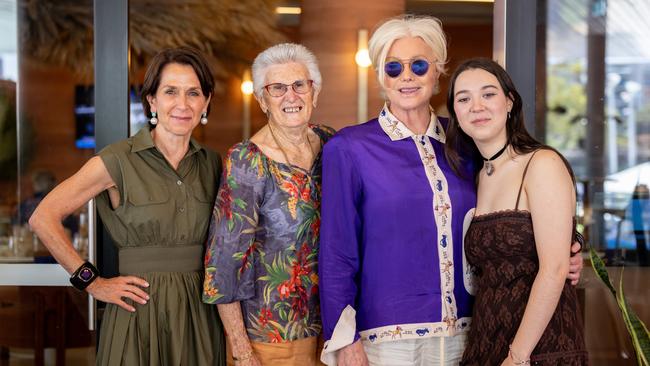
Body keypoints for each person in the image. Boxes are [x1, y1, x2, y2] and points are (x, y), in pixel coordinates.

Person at [318, 15, 584, 366]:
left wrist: (572, 245)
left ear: (437, 70)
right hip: (385, 341)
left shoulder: (465, 143)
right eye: (393, 67)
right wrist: (344, 340)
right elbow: (336, 252)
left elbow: (512, 206)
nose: (407, 76)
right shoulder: (350, 147)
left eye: (419, 64)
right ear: (380, 75)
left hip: (469, 334)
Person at [29, 47, 226, 365]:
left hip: (199, 314)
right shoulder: (117, 159)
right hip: (138, 313)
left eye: (194, 93)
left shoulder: (212, 163)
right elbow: (43, 217)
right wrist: (92, 282)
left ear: (206, 101)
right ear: (152, 100)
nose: (182, 104)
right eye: (170, 91)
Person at [446, 57, 588, 365]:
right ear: (455, 113)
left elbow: (554, 269)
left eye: (488, 94)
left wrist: (518, 356)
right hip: (485, 342)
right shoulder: (473, 176)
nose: (476, 106)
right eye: (464, 98)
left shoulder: (542, 164)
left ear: (510, 102)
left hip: (540, 347)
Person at [202, 43, 335, 366]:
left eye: (299, 85)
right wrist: (242, 350)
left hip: (333, 328)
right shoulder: (247, 161)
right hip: (271, 335)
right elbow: (223, 265)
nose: (291, 96)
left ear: (314, 92)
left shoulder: (332, 143)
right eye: (277, 88)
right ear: (262, 100)